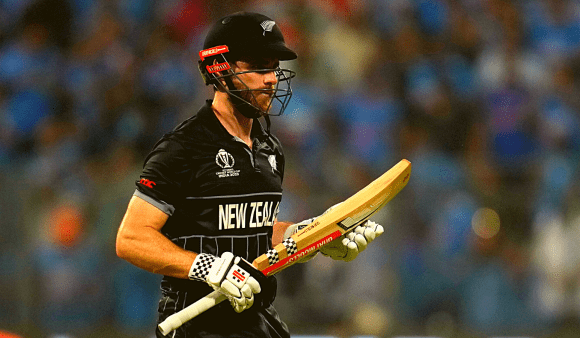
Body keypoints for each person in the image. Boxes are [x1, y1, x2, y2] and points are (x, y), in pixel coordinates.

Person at [115, 11, 384, 338]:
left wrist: (313, 235)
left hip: (253, 314)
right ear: (221, 69)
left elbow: (252, 230)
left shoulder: (270, 149)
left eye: (272, 67)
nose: (271, 78)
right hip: (197, 321)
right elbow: (130, 238)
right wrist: (206, 267)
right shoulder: (182, 148)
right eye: (257, 65)